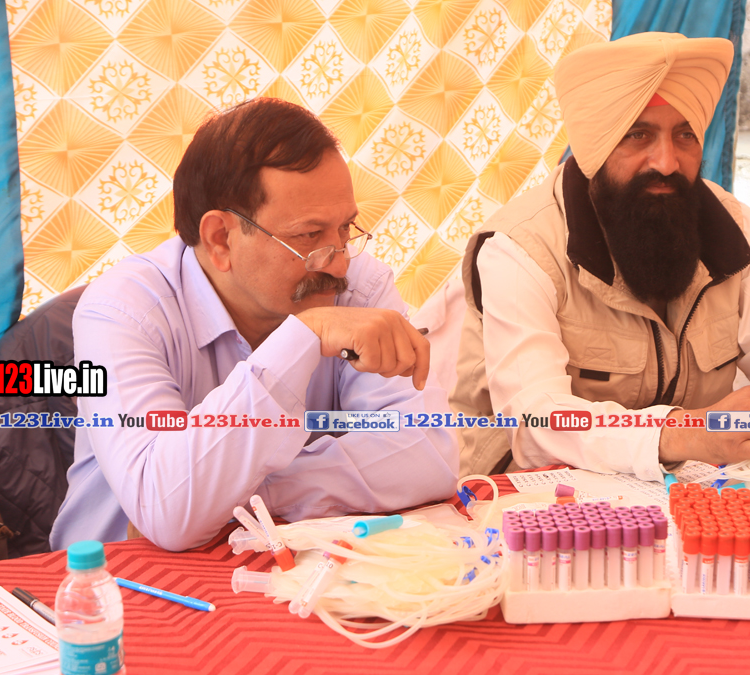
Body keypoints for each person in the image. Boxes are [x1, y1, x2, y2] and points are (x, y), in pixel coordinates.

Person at [453, 32, 750, 479]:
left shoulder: (740, 233)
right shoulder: (521, 248)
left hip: (684, 489)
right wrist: (681, 433)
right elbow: (536, 419)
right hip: (520, 498)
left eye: (685, 135)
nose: (666, 162)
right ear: (594, 147)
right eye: (638, 134)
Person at [51, 98, 458, 551]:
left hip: (282, 564)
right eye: (309, 236)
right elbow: (169, 512)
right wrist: (304, 337)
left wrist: (244, 497)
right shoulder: (121, 310)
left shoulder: (359, 286)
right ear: (220, 239)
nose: (339, 262)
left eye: (346, 228)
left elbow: (428, 451)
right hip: (111, 581)